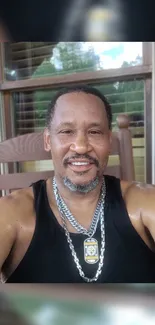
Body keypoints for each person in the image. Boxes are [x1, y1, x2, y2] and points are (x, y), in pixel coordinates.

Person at [0, 85, 155, 284]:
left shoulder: (143, 202)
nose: (81, 146)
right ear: (48, 140)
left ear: (109, 140)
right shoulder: (13, 213)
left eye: (95, 132)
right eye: (66, 131)